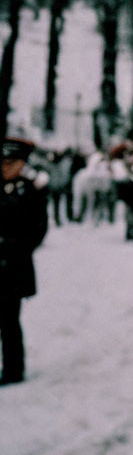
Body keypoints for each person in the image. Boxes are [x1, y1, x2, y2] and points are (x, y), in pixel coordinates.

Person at [0, 136, 49, 385]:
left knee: (9, 320)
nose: (5, 167)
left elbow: (38, 229)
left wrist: (13, 249)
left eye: (11, 163)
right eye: (3, 163)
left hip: (13, 268)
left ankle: (13, 369)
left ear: (22, 164)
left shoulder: (30, 191)